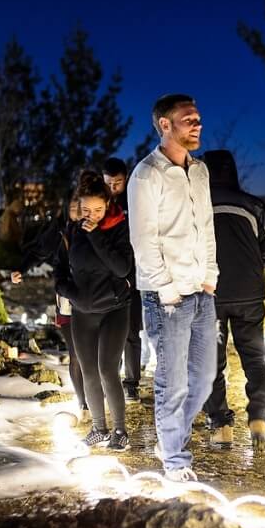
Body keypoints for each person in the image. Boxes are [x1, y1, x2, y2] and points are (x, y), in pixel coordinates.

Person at [128, 93, 218, 483]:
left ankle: (169, 442)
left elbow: (207, 227)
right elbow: (143, 238)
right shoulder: (146, 175)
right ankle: (175, 460)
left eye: (198, 119)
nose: (197, 125)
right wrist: (165, 288)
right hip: (168, 297)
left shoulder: (200, 171)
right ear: (165, 125)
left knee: (204, 378)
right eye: (188, 120)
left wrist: (211, 275)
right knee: (173, 382)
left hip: (201, 290)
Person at [55, 170, 135, 451]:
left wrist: (98, 237)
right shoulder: (72, 232)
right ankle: (99, 428)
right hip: (82, 312)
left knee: (107, 369)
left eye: (98, 209)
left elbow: (122, 268)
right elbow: (60, 272)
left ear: (108, 205)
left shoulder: (119, 227)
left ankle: (120, 430)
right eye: (87, 210)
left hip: (114, 308)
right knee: (88, 370)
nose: (92, 215)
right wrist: (71, 292)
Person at [201, 149, 265, 450]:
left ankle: (221, 426)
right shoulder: (254, 204)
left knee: (211, 362)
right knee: (255, 357)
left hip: (211, 294)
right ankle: (259, 417)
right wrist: (251, 269)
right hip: (249, 294)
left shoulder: (196, 205)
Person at [12, 192, 89, 423]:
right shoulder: (58, 232)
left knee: (96, 356)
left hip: (95, 300)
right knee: (76, 354)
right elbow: (37, 251)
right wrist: (21, 269)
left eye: (81, 205)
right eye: (74, 205)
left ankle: (99, 396)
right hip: (66, 300)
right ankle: (84, 403)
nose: (78, 210)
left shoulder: (95, 229)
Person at [103, 156, 143, 404]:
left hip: (135, 275)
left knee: (131, 332)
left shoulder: (135, 201)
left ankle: (131, 383)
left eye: (117, 182)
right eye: (108, 182)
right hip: (108, 277)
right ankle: (110, 378)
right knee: (109, 332)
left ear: (125, 179)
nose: (113, 188)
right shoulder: (100, 202)